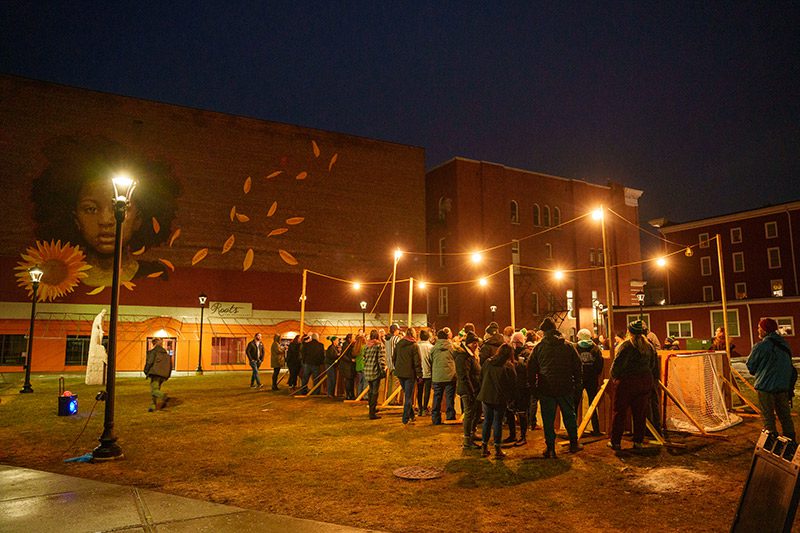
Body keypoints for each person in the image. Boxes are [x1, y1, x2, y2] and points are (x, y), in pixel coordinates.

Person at [32, 135, 181, 287]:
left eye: (119, 208)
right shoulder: (58, 279)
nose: (105, 220)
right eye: (91, 209)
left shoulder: (157, 276)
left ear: (139, 219)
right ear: (76, 219)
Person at [528, 317, 583, 457]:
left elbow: (531, 369)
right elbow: (578, 366)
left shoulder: (539, 348)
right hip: (565, 386)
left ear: (544, 332)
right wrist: (577, 383)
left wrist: (534, 388)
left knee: (548, 419)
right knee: (569, 416)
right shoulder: (568, 346)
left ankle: (551, 448)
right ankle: (573, 443)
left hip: (546, 388)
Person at [608, 320, 660, 451]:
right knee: (640, 414)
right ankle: (638, 442)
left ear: (629, 332)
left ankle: (616, 442)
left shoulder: (626, 346)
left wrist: (615, 378)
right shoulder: (649, 346)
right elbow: (653, 365)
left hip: (627, 384)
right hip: (644, 383)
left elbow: (617, 365)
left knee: (619, 413)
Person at [746, 318, 796, 441]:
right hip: (783, 387)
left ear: (764, 330)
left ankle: (771, 443)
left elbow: (750, 365)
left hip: (765, 387)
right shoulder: (784, 344)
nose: (758, 330)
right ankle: (790, 443)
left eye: (759, 327)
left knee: (768, 417)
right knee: (785, 417)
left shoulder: (761, 346)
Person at [477, 343, 516, 459]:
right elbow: (513, 384)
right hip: (500, 398)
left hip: (486, 396)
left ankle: (484, 447)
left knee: (487, 421)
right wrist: (511, 398)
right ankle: (497, 449)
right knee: (497, 422)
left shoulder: (488, 362)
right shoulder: (508, 366)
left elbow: (481, 377)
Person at [574, 328, 605, 436]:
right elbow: (600, 365)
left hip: (579, 379)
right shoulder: (595, 348)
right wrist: (596, 375)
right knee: (593, 404)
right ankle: (596, 429)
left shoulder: (576, 347)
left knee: (575, 404)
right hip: (592, 379)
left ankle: (573, 429)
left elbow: (572, 362)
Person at [455, 331, 482, 448]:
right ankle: (467, 440)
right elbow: (464, 376)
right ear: (468, 343)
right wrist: (471, 392)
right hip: (468, 390)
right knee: (469, 413)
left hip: (475, 389)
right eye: (474, 343)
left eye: (477, 342)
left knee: (477, 411)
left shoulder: (471, 354)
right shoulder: (463, 356)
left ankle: (472, 432)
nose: (476, 345)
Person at [393, 327, 422, 425]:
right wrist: (419, 375)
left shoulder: (399, 344)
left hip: (400, 373)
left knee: (407, 393)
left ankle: (411, 415)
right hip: (410, 374)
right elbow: (417, 362)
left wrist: (397, 367)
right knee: (408, 397)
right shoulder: (414, 346)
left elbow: (394, 358)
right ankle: (405, 419)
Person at [430, 328, 457, 424]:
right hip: (450, 375)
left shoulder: (433, 349)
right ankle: (450, 416)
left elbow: (430, 360)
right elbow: (456, 359)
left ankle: (435, 418)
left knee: (437, 397)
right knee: (449, 397)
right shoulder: (452, 347)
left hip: (437, 376)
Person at [363, 329, 387, 419]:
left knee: (371, 391)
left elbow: (364, 358)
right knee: (375, 392)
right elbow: (381, 359)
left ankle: (371, 409)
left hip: (367, 371)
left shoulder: (366, 346)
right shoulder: (379, 345)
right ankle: (372, 413)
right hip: (375, 371)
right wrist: (383, 369)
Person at [144, 337, 172, 411]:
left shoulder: (154, 352)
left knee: (154, 390)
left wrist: (146, 370)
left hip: (155, 373)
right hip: (162, 375)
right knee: (156, 389)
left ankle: (163, 396)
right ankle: (152, 406)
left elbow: (150, 362)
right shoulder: (165, 352)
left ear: (154, 343)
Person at [416, 329, 434, 416]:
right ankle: (425, 408)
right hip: (428, 371)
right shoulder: (430, 347)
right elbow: (432, 360)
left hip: (418, 372)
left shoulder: (416, 346)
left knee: (419, 390)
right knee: (427, 391)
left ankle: (419, 408)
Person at [339, 334, 356, 400]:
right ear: (349, 338)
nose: (354, 339)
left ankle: (351, 394)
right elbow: (343, 355)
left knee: (351, 381)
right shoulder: (346, 345)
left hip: (350, 366)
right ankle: (348, 395)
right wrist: (350, 360)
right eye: (353, 338)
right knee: (348, 381)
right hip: (347, 366)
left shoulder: (350, 344)